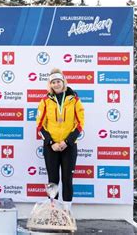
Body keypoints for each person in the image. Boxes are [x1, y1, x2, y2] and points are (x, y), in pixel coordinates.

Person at [36, 68, 85, 211]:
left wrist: (66, 142)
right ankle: (54, 212)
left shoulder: (74, 100)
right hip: (51, 147)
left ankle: (67, 212)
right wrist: (51, 143)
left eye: (58, 81)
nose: (56, 84)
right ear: (50, 85)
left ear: (63, 82)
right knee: (53, 181)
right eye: (53, 82)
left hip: (68, 146)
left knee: (67, 180)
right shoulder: (45, 101)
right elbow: (40, 125)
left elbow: (80, 124)